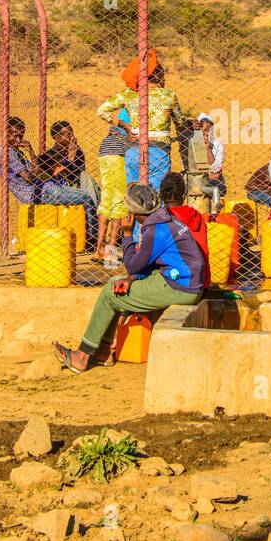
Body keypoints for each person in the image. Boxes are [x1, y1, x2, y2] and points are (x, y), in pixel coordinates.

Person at [51, 175, 205, 373]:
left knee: (109, 293)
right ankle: (103, 352)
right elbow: (144, 267)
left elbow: (133, 265)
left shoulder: (155, 230)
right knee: (116, 283)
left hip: (180, 287)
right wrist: (132, 278)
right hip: (183, 281)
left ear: (133, 212)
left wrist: (126, 235)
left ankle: (82, 356)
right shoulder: (165, 220)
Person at [97, 56, 188, 192]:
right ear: (156, 74)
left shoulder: (129, 94)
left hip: (134, 150)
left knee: (134, 194)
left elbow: (101, 111)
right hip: (159, 151)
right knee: (157, 193)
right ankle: (156, 213)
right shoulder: (168, 95)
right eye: (161, 70)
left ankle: (134, 212)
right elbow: (180, 122)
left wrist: (125, 126)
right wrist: (189, 124)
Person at [36, 120, 97, 249]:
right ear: (57, 138)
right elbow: (58, 175)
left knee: (88, 180)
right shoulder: (51, 154)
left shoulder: (77, 150)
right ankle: (92, 236)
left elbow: (77, 173)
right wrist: (70, 157)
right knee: (87, 183)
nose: (70, 136)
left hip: (76, 185)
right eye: (66, 134)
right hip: (60, 188)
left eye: (71, 133)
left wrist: (73, 156)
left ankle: (93, 231)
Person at [96, 107, 131, 267]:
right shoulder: (138, 109)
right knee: (119, 200)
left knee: (106, 198)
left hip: (105, 147)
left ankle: (99, 250)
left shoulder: (123, 110)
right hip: (119, 149)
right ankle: (110, 253)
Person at [3, 116, 46, 204]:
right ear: (6, 134)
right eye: (15, 136)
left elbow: (37, 172)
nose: (18, 140)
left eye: (21, 136)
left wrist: (31, 152)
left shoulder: (17, 153)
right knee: (81, 196)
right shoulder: (8, 152)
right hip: (34, 194)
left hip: (39, 191)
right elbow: (30, 178)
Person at [197, 113, 227, 202]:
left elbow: (216, 170)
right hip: (196, 180)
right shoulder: (191, 143)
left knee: (216, 187)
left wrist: (208, 149)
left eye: (207, 130)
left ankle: (214, 213)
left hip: (213, 182)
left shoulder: (217, 145)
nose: (204, 133)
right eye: (202, 130)